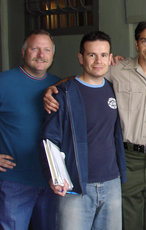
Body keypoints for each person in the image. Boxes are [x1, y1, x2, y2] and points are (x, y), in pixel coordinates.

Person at [43, 20, 146, 230]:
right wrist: (53, 89)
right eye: (144, 41)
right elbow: (87, 77)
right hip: (127, 158)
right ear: (136, 44)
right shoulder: (116, 70)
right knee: (127, 219)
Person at [40, 30, 127, 230]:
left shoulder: (114, 89)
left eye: (103, 55)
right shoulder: (63, 94)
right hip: (76, 184)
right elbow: (48, 140)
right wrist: (53, 177)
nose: (98, 60)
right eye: (91, 55)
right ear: (81, 57)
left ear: (110, 58)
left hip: (112, 183)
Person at [0, 30, 60, 230]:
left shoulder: (60, 86)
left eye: (46, 50)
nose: (41, 55)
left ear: (52, 54)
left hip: (52, 181)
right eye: (35, 49)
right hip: (14, 180)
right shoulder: (3, 82)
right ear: (24, 52)